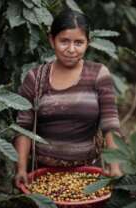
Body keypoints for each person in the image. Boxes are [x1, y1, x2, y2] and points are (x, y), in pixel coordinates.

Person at [14, 9, 122, 187]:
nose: (71, 49)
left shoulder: (98, 74)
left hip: (88, 176)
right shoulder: (36, 78)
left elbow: (110, 123)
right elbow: (23, 128)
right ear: (51, 40)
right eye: (64, 41)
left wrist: (115, 165)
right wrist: (21, 170)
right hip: (42, 175)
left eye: (79, 42)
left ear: (88, 43)